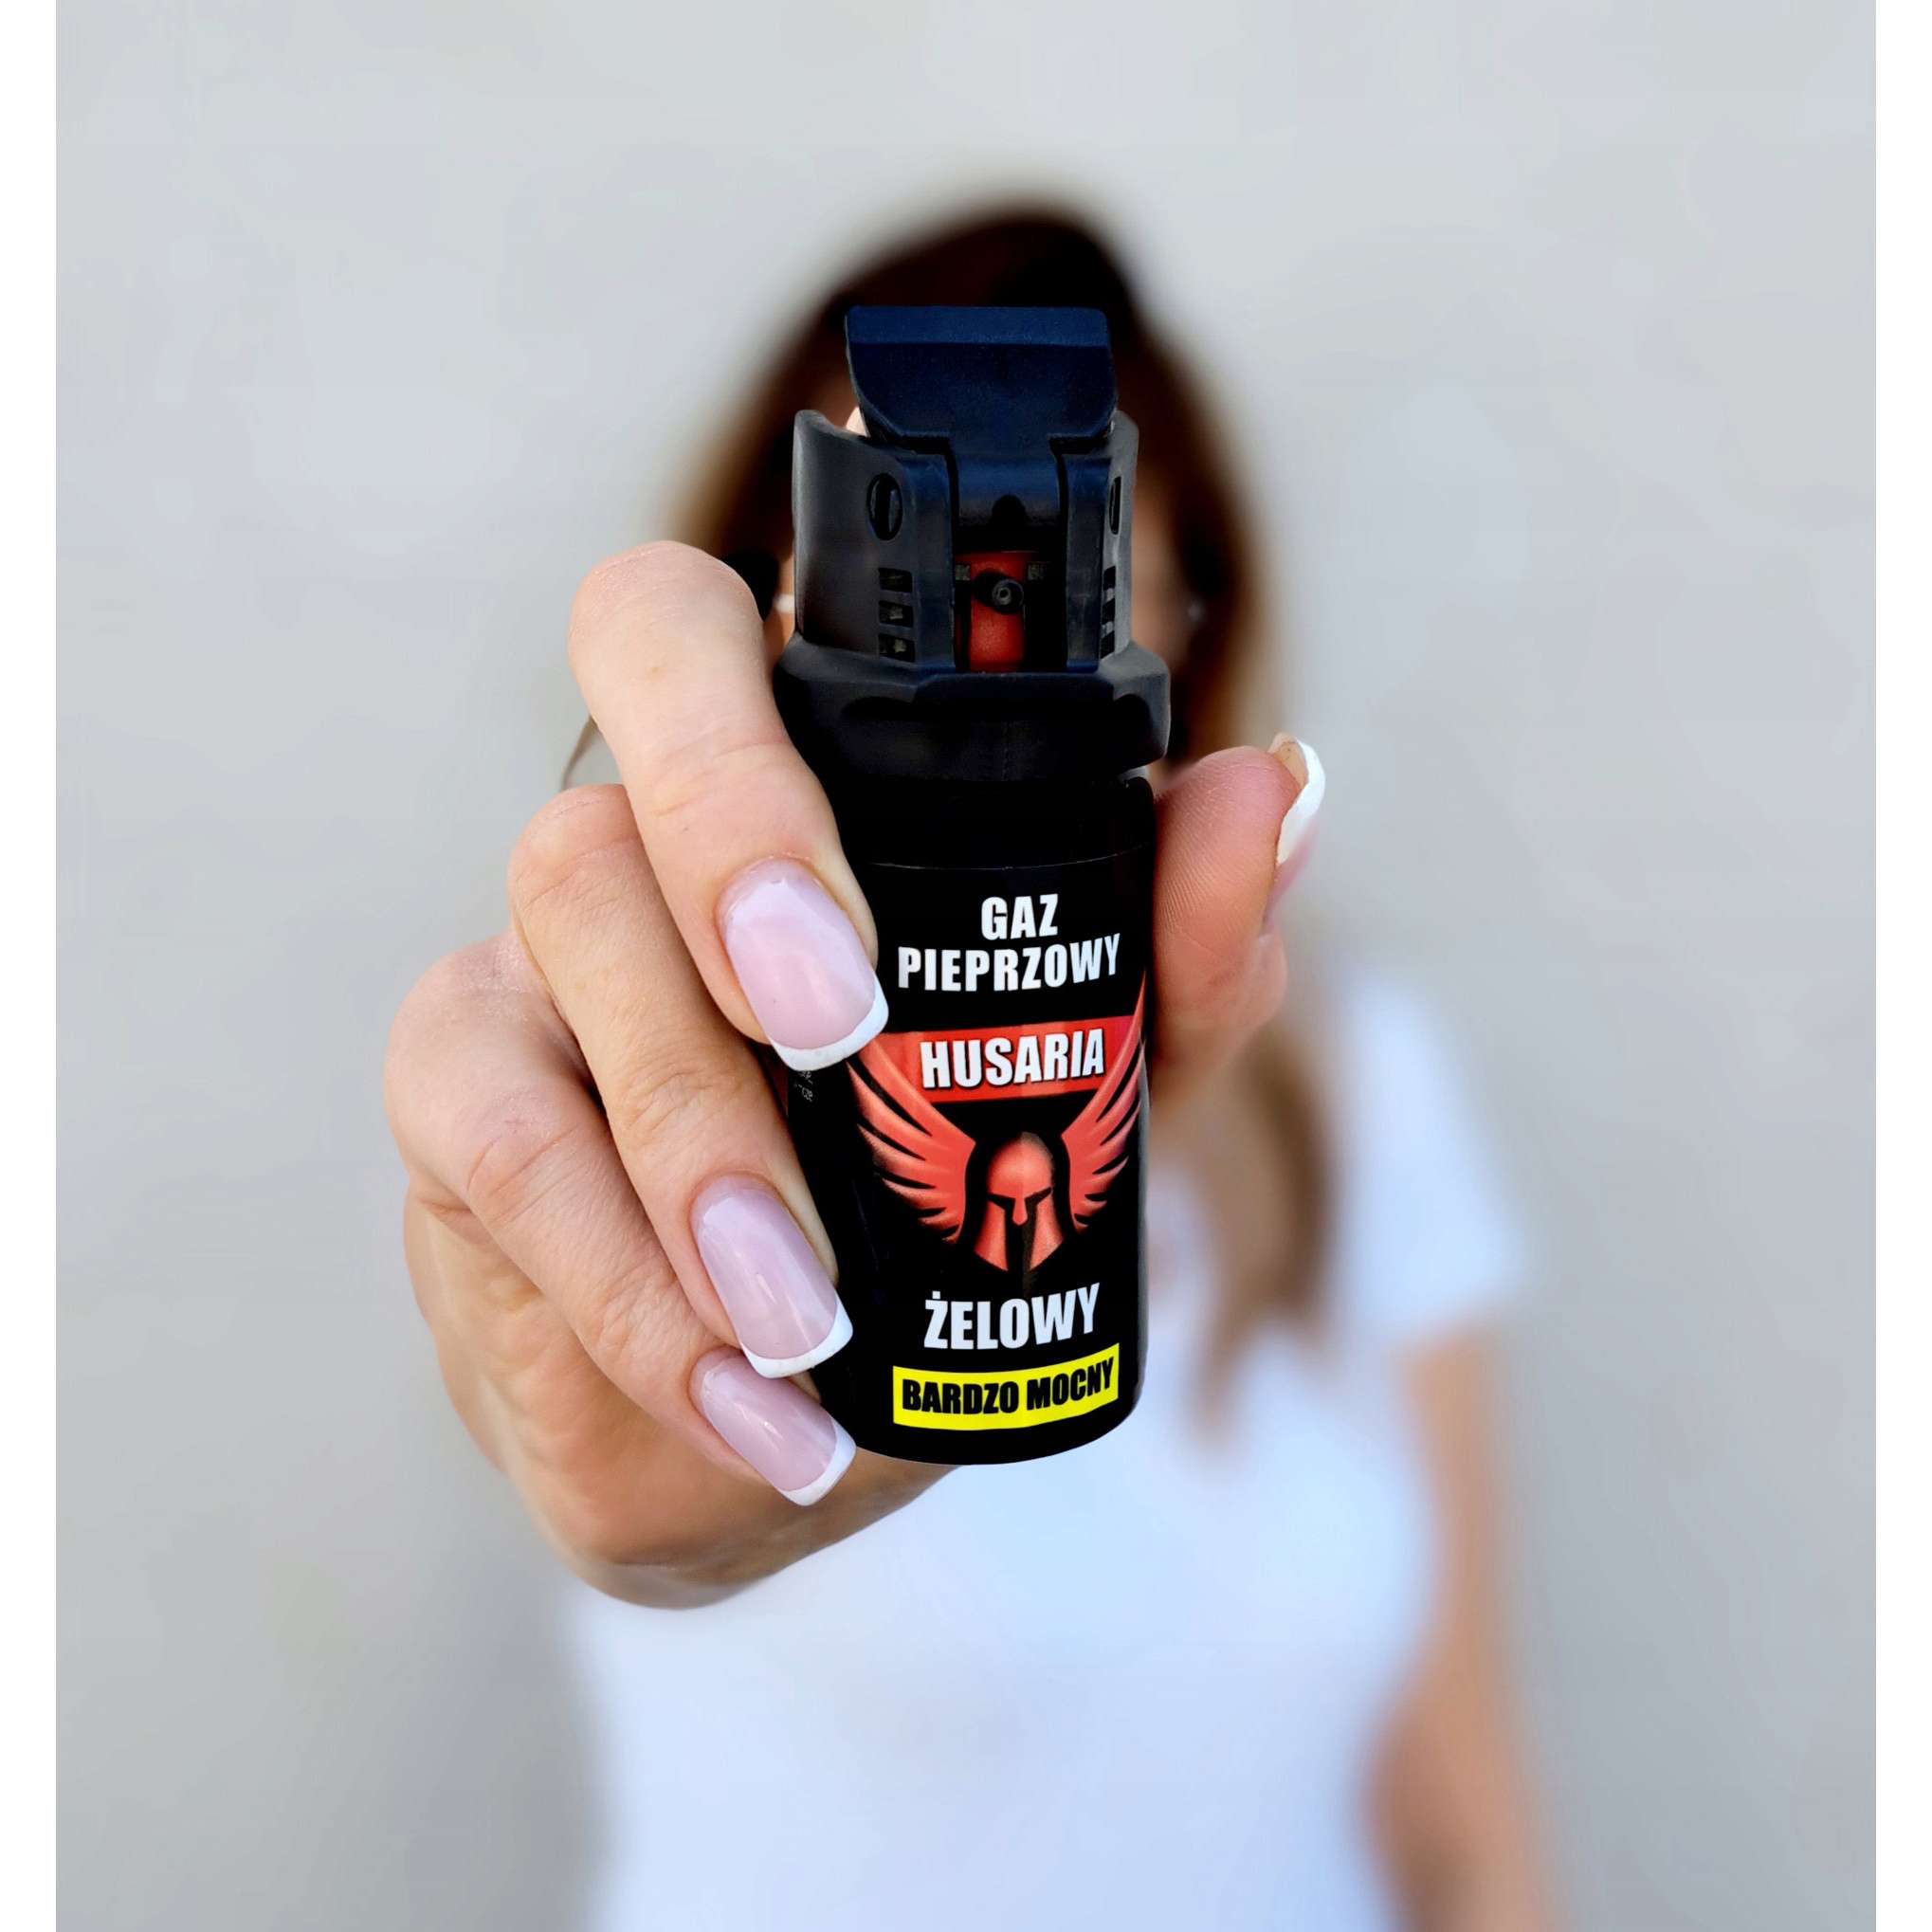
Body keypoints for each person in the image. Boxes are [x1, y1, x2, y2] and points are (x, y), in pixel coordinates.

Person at [384, 211, 1556, 1930]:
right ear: (768, 639)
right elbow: (609, 1457)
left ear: (1184, 625)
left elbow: (1461, 1820)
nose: (983, 621)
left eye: (1058, 580)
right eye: (897, 586)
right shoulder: (702, 1059)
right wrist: (587, 1307)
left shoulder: (1365, 1088)